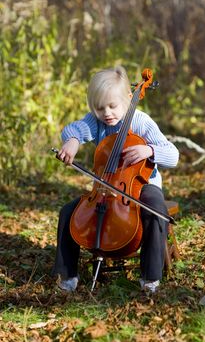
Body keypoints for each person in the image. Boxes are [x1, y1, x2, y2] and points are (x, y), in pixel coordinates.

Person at [52, 66, 179, 293]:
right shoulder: (97, 122)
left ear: (129, 99)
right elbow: (76, 128)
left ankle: (150, 277)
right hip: (105, 187)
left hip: (142, 186)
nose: (107, 113)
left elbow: (173, 155)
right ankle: (67, 275)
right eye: (100, 108)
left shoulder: (141, 122)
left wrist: (149, 150)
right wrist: (72, 140)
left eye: (113, 106)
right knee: (68, 212)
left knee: (155, 209)